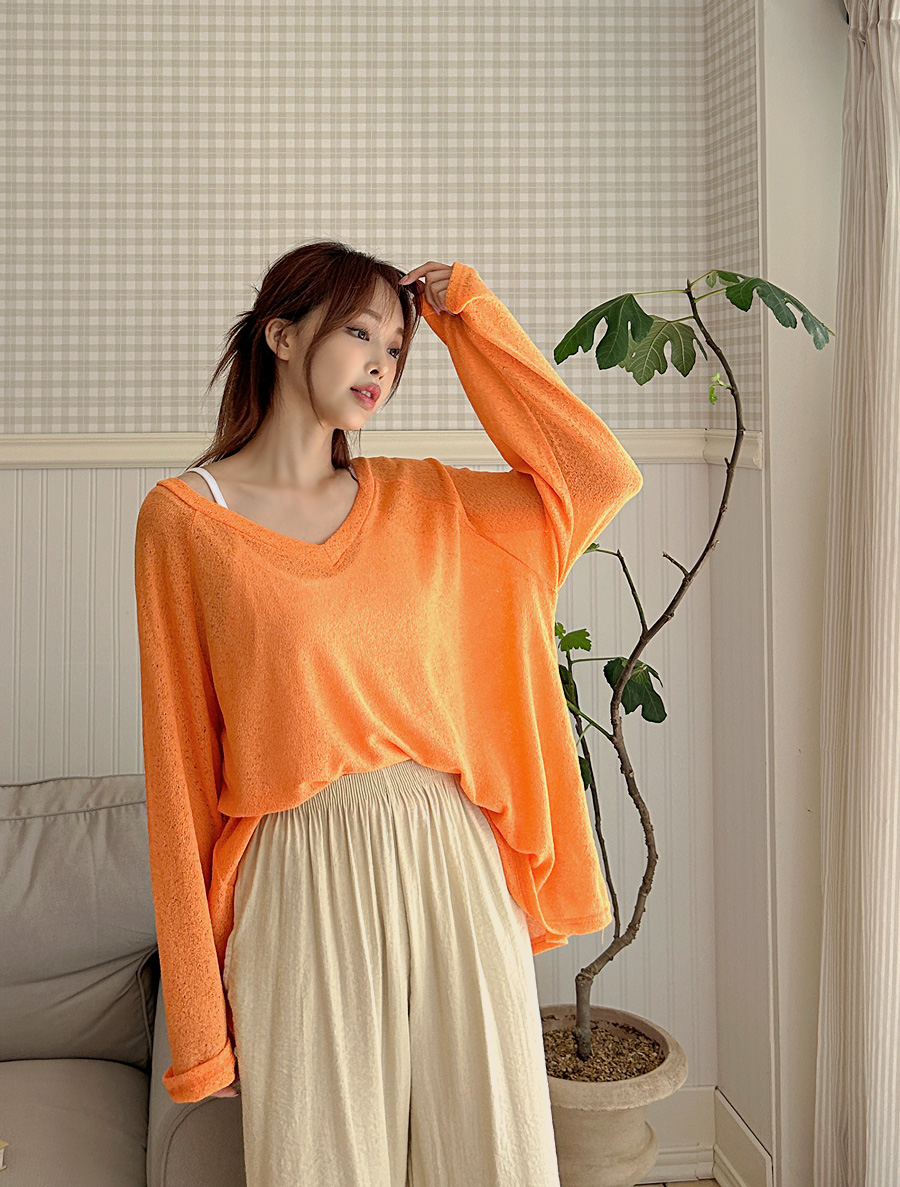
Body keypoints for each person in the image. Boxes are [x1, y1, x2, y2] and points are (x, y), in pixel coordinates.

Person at [133, 239, 643, 1186]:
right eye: (360, 333)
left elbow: (596, 477)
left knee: (496, 1160)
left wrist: (468, 322)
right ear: (283, 336)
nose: (382, 363)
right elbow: (178, 779)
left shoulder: (429, 499)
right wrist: (201, 1026)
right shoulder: (184, 521)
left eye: (397, 347)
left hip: (452, 856)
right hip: (298, 875)